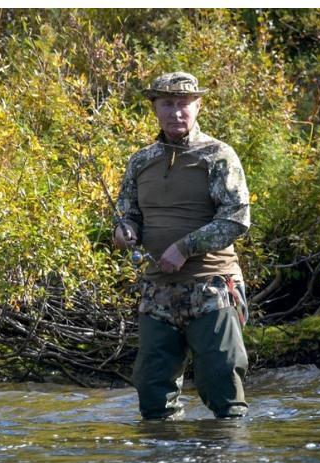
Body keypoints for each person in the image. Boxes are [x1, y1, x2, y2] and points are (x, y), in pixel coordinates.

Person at [113, 71, 250, 420]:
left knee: (222, 383)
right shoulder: (141, 160)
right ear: (155, 108)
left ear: (198, 106)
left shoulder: (218, 155)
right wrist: (124, 230)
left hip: (212, 287)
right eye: (167, 104)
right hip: (157, 291)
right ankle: (165, 462)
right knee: (152, 390)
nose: (176, 112)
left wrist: (185, 247)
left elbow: (235, 219)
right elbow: (128, 215)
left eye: (183, 104)